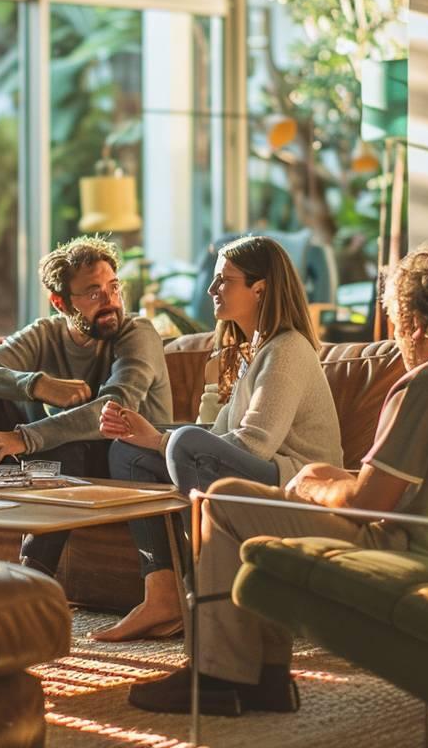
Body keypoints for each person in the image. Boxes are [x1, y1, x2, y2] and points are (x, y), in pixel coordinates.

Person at [127, 245, 428, 715]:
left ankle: (219, 674)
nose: (395, 338)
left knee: (223, 499)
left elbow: (367, 502)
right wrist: (337, 477)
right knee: (235, 498)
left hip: (411, 548)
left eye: (393, 323)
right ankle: (264, 677)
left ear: (413, 321)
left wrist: (313, 482)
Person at [92, 235, 341, 642]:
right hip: (254, 468)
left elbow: (252, 446)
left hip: (292, 485)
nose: (211, 291)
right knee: (126, 452)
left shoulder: (288, 350)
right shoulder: (257, 350)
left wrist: (163, 440)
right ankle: (163, 595)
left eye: (224, 280)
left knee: (183, 441)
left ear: (260, 288)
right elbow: (221, 439)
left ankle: (208, 593)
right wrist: (150, 436)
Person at [0, 235, 173, 576]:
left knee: (67, 443)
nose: (109, 301)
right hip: (52, 459)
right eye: (94, 293)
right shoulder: (44, 334)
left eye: (114, 287)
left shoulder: (137, 332)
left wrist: (24, 438)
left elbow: (115, 409)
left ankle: (33, 574)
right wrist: (38, 385)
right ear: (60, 303)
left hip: (126, 458)